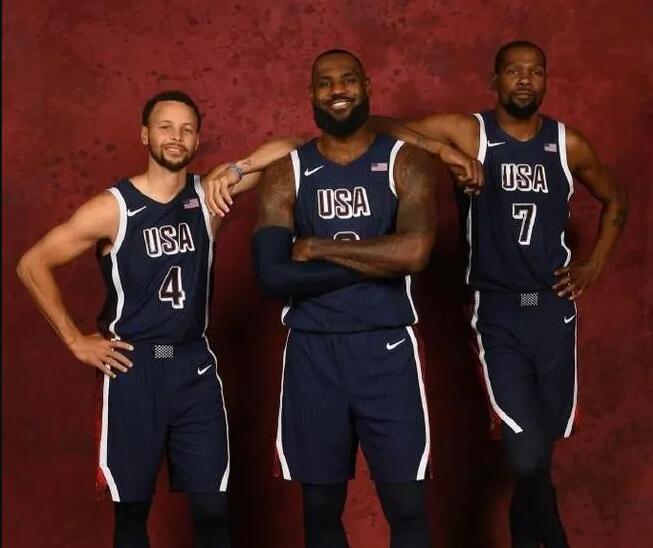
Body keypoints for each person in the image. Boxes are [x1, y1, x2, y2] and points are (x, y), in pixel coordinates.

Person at [371, 40, 629, 547]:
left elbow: (616, 197)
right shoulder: (471, 132)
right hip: (496, 311)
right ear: (495, 81)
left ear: (546, 81)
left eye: (535, 71)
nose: (525, 79)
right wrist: (444, 152)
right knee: (526, 457)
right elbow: (374, 126)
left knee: (540, 457)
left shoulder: (566, 143)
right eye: (514, 71)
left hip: (553, 310)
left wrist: (595, 262)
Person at [16, 90, 298, 548]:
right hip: (134, 369)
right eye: (165, 127)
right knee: (131, 516)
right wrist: (74, 340)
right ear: (144, 135)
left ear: (198, 140)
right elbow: (32, 264)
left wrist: (237, 168)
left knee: (212, 512)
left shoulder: (208, 195)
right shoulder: (114, 207)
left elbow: (295, 150)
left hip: (193, 366)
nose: (176, 137)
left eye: (187, 129)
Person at [251, 48, 441, 548]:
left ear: (367, 87)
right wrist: (375, 262)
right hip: (313, 352)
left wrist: (316, 248)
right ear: (311, 95)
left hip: (387, 349)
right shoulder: (285, 172)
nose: (338, 90)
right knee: (320, 510)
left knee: (407, 508)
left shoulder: (407, 161)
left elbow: (415, 251)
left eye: (348, 79)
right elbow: (272, 276)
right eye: (325, 82)